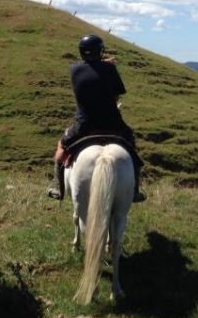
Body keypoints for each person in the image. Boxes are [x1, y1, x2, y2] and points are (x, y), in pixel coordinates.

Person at [47, 34, 146, 203]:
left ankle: (58, 186)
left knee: (62, 147)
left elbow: (88, 68)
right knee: (131, 144)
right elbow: (116, 96)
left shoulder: (74, 69)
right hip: (112, 123)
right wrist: (107, 65)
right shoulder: (110, 69)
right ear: (100, 51)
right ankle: (135, 189)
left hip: (83, 125)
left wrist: (102, 64)